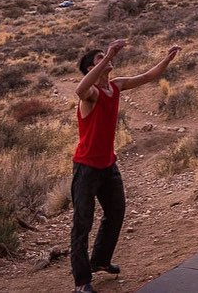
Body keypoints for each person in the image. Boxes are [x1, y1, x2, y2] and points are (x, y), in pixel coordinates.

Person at [70, 39, 181, 293]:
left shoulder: (115, 86)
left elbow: (147, 76)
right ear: (90, 69)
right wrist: (108, 55)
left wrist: (167, 58)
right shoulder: (91, 95)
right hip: (86, 168)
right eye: (98, 59)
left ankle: (100, 261)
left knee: (116, 212)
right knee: (82, 223)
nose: (105, 60)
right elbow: (79, 90)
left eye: (104, 57)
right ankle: (81, 281)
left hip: (108, 165)